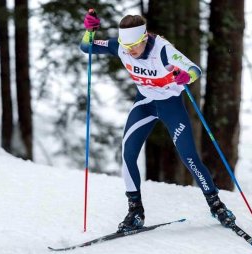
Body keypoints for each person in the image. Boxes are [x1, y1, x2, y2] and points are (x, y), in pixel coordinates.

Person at [81, 11, 236, 233]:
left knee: (189, 157)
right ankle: (135, 212)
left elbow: (195, 69)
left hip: (170, 106)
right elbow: (86, 47)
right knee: (128, 154)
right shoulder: (121, 46)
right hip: (144, 103)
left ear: (144, 38)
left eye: (134, 45)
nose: (130, 51)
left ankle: (216, 205)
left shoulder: (162, 50)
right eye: (126, 47)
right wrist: (89, 32)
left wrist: (186, 77)